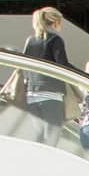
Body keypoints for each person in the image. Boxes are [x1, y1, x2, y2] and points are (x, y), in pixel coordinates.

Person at [20, 8, 71, 146]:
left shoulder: (31, 41)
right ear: (56, 23)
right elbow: (63, 65)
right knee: (51, 139)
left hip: (32, 96)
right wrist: (88, 77)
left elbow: (23, 66)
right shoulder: (55, 40)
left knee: (38, 139)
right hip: (51, 97)